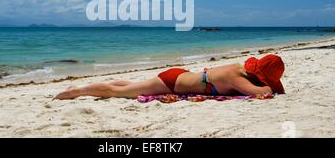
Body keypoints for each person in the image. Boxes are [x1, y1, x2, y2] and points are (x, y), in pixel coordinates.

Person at [54, 54, 285, 100]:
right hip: (172, 82)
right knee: (118, 92)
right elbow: (260, 93)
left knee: (133, 86)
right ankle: (78, 91)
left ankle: (83, 88)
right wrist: (268, 87)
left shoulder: (238, 68)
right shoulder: (236, 77)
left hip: (179, 78)